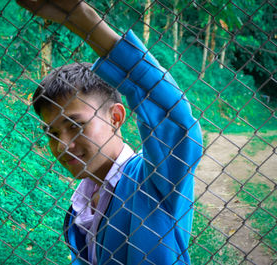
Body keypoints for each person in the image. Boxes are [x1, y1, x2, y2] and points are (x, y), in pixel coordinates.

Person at [16, 1, 203, 264]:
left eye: (75, 125)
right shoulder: (82, 199)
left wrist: (82, 19)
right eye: (53, 133)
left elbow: (174, 119)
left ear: (115, 117)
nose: (63, 146)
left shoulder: (153, 180)